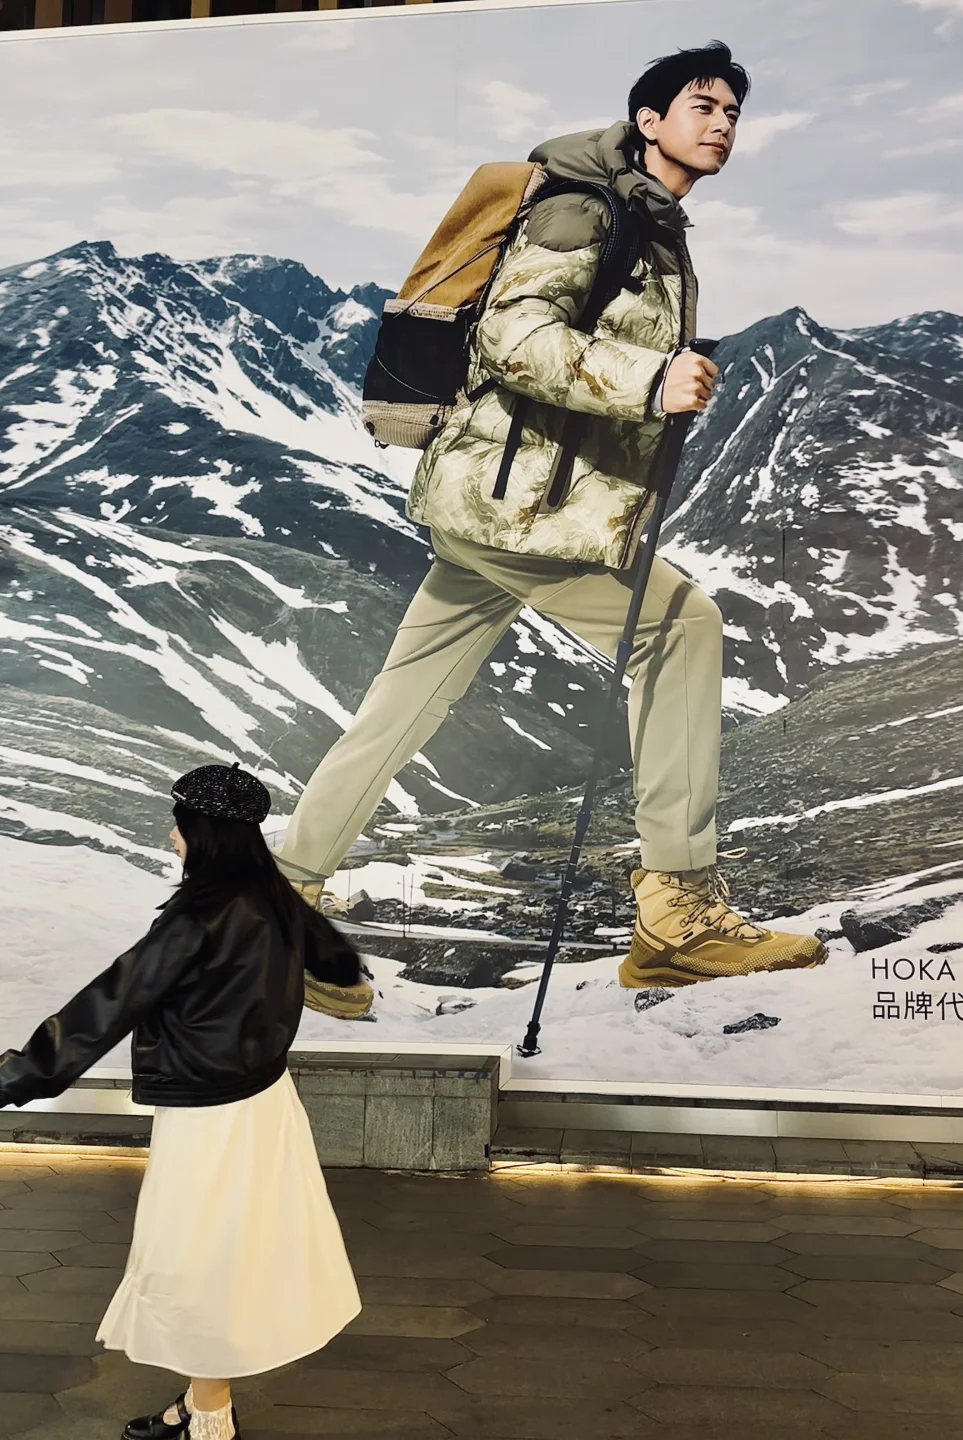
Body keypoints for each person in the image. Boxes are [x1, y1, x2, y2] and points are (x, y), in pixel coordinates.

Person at [277, 41, 827, 986]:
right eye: (702, 106)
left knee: (400, 707)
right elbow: (512, 335)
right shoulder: (587, 208)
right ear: (649, 120)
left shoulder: (645, 219)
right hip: (520, 510)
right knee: (682, 629)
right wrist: (650, 378)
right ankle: (678, 913)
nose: (722, 124)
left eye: (733, 113)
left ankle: (275, 895)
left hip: (493, 505)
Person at [0, 764, 363, 1440]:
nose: (173, 838)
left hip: (208, 1120)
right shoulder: (274, 897)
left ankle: (210, 1424)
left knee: (193, 1264)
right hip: (265, 1104)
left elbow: (101, 1010)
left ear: (207, 835)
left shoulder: (198, 917)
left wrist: (14, 1079)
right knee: (229, 1255)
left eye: (181, 826)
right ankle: (202, 1405)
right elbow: (342, 967)